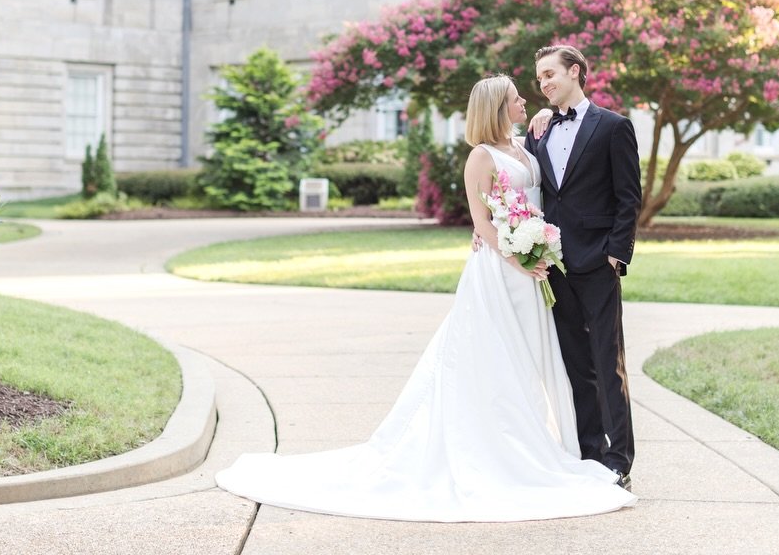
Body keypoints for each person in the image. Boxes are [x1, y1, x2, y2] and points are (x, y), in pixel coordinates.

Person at [215, 75, 635, 522]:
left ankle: (546, 442)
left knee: (535, 359)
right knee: (494, 360)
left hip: (533, 270)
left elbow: (543, 190)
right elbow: (483, 224)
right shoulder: (480, 157)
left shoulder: (526, 143)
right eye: (516, 98)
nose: (525, 101)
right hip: (503, 272)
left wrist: (535, 248)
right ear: (497, 106)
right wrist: (518, 258)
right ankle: (499, 449)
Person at [523, 45, 640, 490]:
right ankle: (590, 453)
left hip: (597, 261)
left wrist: (617, 253)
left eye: (550, 74)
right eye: (539, 79)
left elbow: (628, 197)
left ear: (575, 72)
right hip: (553, 264)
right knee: (576, 364)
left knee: (608, 362)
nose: (544, 83)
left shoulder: (613, 127)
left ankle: (619, 459)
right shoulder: (539, 131)